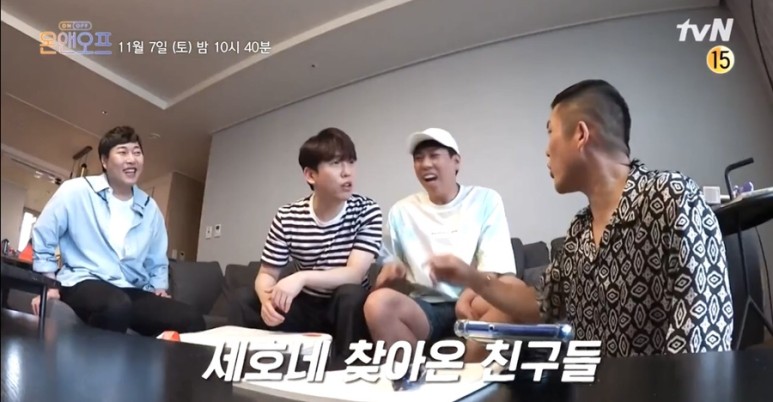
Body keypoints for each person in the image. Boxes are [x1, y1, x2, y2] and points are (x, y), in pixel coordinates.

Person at [438, 79, 734, 356]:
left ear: (580, 134)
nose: (546, 151)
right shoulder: (579, 231)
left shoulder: (671, 197)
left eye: (550, 132)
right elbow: (540, 305)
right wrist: (471, 277)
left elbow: (704, 335)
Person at [364, 128, 523, 363]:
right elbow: (393, 275)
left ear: (456, 161)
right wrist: (387, 279)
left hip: (477, 302)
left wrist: (465, 298)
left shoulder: (485, 199)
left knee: (512, 291)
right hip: (425, 307)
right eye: (419, 158)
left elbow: (495, 267)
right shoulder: (401, 211)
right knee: (377, 303)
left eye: (434, 155)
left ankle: (471, 376)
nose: (425, 164)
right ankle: (412, 378)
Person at [31, 126, 206, 336]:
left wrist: (158, 288)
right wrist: (49, 284)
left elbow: (157, 259)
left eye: (137, 152)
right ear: (105, 161)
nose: (131, 159)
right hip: (82, 281)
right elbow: (44, 233)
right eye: (123, 152)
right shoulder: (76, 190)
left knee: (192, 319)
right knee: (116, 305)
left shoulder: (149, 208)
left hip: (131, 289)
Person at [229, 127, 382, 360]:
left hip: (345, 307)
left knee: (351, 295)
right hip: (304, 305)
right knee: (243, 299)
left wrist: (301, 277)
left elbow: (354, 274)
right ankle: (240, 371)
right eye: (336, 163)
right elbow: (267, 274)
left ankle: (348, 373)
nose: (347, 172)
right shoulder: (287, 216)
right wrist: (267, 302)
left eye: (351, 162)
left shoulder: (367, 210)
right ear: (311, 175)